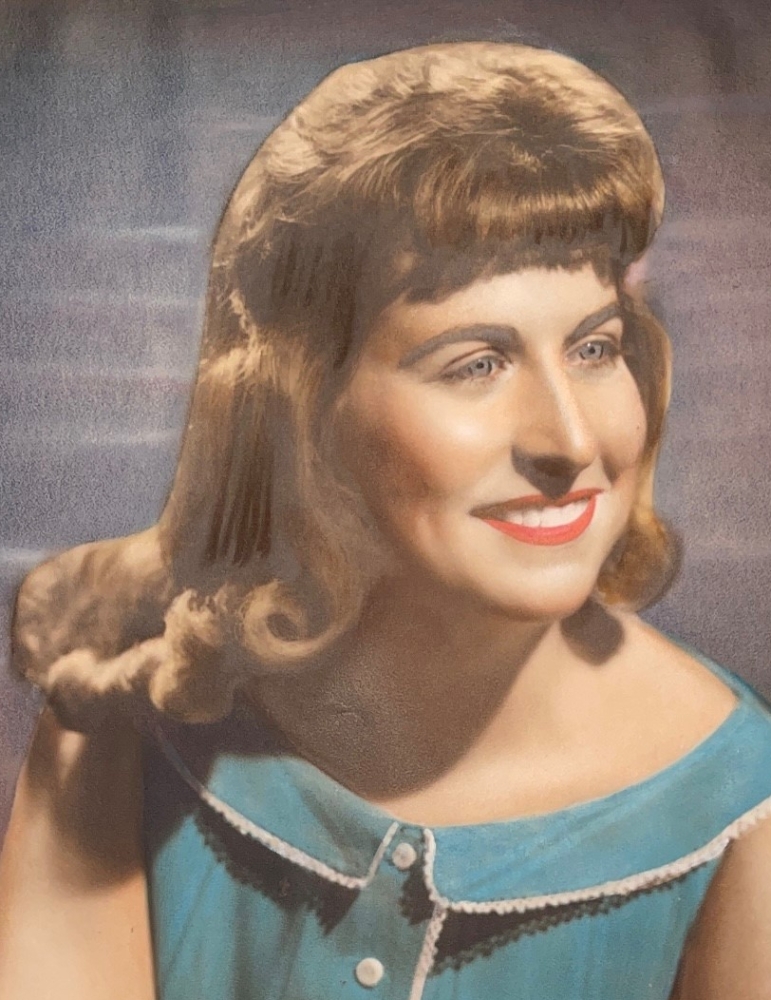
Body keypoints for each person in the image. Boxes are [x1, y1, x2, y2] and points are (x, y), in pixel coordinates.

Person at [1, 40, 771, 1000]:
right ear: (302, 408)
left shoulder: (738, 799)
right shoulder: (121, 707)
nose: (570, 441)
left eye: (593, 348)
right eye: (476, 364)